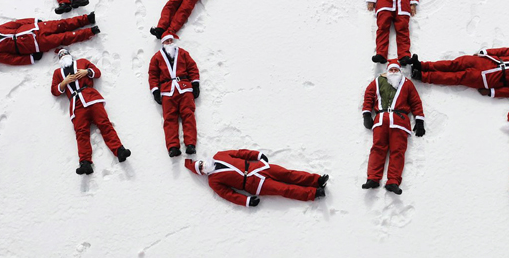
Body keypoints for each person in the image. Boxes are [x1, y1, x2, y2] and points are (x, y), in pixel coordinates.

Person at [51, 48, 130, 174]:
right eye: (60, 55)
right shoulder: (58, 73)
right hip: (76, 105)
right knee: (81, 133)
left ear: (70, 55)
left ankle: (119, 150)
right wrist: (64, 83)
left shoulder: (82, 62)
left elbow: (97, 72)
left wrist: (86, 71)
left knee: (104, 124)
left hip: (91, 98)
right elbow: (54, 90)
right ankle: (85, 162)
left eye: (65, 53)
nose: (63, 56)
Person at [361, 60, 425, 194]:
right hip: (381, 120)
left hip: (399, 122)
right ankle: (372, 178)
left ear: (400, 71)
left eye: (396, 70)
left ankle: (393, 181)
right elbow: (368, 96)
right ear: (388, 71)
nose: (394, 72)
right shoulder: (378, 81)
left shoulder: (407, 84)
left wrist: (419, 120)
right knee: (377, 149)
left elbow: (415, 102)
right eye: (392, 70)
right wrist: (367, 114)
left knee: (398, 151)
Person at [185, 150, 328, 207]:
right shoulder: (213, 182)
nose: (204, 166)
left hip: (259, 168)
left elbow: (239, 153)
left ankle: (316, 180)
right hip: (255, 184)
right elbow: (229, 195)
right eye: (201, 168)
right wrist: (246, 201)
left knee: (288, 174)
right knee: (284, 189)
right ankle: (314, 193)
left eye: (202, 163)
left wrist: (256, 156)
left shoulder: (219, 156)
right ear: (202, 173)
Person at [411, 48, 509, 98]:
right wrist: (486, 52)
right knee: (455, 63)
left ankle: (423, 76)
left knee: (456, 77)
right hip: (487, 61)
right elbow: (506, 51)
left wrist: (492, 92)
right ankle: (423, 65)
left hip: (488, 79)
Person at [0, 14, 99, 66]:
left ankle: (86, 19)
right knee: (63, 38)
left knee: (62, 24)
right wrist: (31, 58)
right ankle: (90, 32)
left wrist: (33, 21)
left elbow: (16, 23)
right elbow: (13, 60)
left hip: (35, 28)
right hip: (36, 44)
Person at [148, 33, 200, 157]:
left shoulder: (183, 53)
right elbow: (153, 75)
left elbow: (192, 68)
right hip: (167, 91)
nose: (170, 43)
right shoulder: (156, 58)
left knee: (188, 115)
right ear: (163, 43)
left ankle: (190, 144)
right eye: (167, 41)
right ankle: (173, 147)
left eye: (171, 40)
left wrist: (195, 84)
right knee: (170, 119)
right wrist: (155, 90)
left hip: (184, 88)